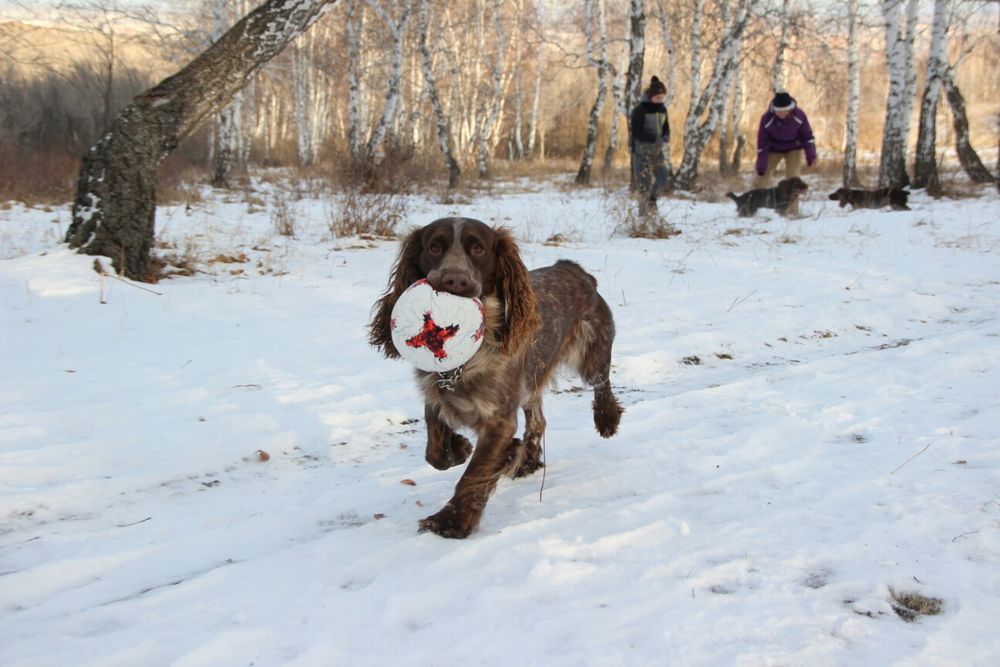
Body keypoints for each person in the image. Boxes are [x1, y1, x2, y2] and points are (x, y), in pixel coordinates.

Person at [754, 91, 817, 214]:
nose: (782, 113)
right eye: (779, 111)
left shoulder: (799, 115)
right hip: (773, 149)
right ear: (774, 110)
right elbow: (762, 143)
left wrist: (811, 157)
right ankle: (751, 205)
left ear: (790, 109)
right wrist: (761, 165)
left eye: (784, 111)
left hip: (794, 148)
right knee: (761, 177)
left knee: (793, 179)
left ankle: (792, 211)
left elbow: (807, 137)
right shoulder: (766, 119)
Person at [630, 76, 670, 215]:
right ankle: (643, 215)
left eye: (662, 97)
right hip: (641, 151)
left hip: (657, 151)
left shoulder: (663, 109)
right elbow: (636, 131)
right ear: (650, 96)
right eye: (658, 98)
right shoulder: (640, 110)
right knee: (643, 183)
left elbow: (665, 126)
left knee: (663, 175)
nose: (660, 100)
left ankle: (652, 198)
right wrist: (651, 137)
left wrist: (666, 135)